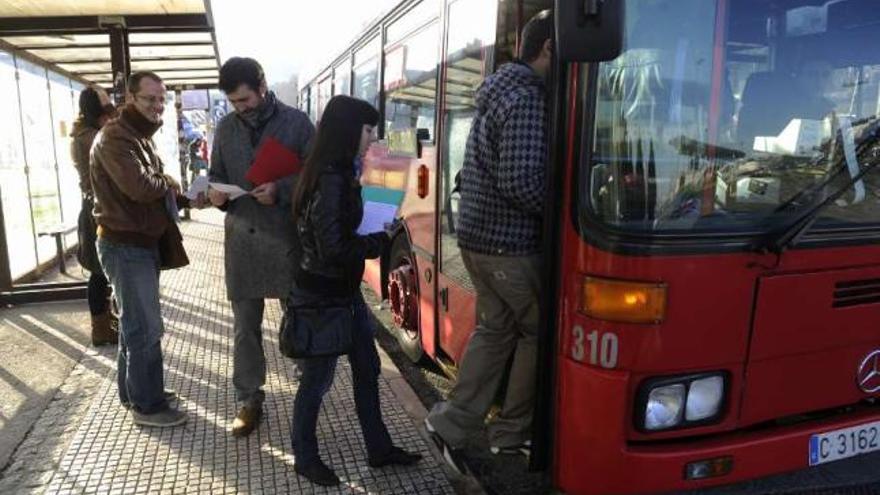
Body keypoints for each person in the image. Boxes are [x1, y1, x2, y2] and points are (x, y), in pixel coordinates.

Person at [425, 10, 552, 471]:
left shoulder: (497, 90)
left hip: (479, 239)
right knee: (538, 332)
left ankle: (452, 423)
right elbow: (521, 181)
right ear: (550, 49)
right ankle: (510, 433)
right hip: (510, 245)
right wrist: (567, 215)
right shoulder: (527, 98)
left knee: (496, 329)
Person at [289, 95, 422, 486]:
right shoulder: (330, 177)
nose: (373, 137)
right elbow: (334, 247)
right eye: (367, 130)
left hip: (342, 294)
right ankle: (305, 457)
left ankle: (379, 448)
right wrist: (377, 241)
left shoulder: (336, 170)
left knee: (368, 368)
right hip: (321, 297)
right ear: (349, 130)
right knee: (317, 381)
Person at [207, 57, 315, 437]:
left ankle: (309, 386)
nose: (241, 108)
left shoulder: (297, 123)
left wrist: (281, 190)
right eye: (234, 102)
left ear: (262, 86)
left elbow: (316, 172)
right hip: (242, 237)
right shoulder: (225, 128)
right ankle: (248, 398)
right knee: (244, 328)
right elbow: (215, 175)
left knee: (299, 314)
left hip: (286, 236)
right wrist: (215, 195)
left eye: (245, 99)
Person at [91, 71, 190, 427]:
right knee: (145, 328)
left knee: (136, 325)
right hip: (124, 245)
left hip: (135, 243)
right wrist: (168, 181)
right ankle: (148, 407)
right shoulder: (116, 137)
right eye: (150, 99)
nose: (157, 106)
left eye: (161, 99)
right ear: (129, 98)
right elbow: (139, 186)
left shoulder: (136, 136)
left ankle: (135, 393)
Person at [71, 85, 118, 346]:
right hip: (96, 209)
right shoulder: (90, 136)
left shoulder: (87, 132)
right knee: (99, 272)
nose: (109, 103)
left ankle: (104, 323)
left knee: (101, 270)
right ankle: (100, 328)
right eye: (104, 100)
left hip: (94, 206)